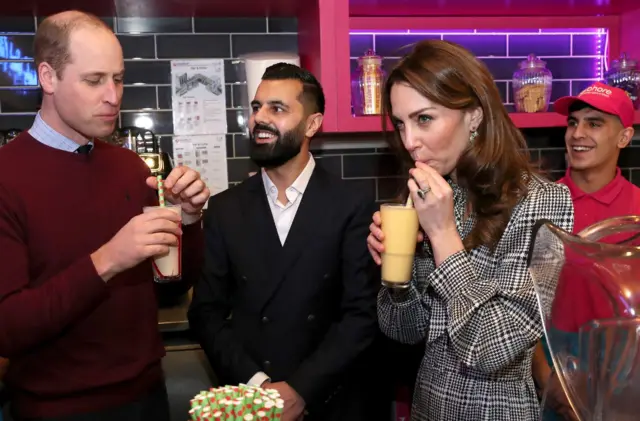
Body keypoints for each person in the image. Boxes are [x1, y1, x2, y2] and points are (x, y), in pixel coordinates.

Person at [0, 11, 209, 421]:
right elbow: (8, 328)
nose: (113, 95)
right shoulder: (7, 177)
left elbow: (173, 285)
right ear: (48, 77)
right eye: (94, 80)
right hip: (57, 409)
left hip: (147, 396)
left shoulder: (131, 167)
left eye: (118, 78)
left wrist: (188, 221)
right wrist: (109, 259)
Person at [365, 39, 575, 421]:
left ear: (474, 116)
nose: (409, 141)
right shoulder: (437, 195)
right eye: (400, 123)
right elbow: (404, 330)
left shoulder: (544, 202)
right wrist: (398, 273)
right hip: (428, 407)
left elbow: (491, 349)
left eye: (424, 119)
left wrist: (442, 235)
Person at [188, 63, 383, 421]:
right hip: (253, 402)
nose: (259, 118)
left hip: (333, 399)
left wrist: (300, 390)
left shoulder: (352, 204)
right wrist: (259, 385)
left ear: (312, 124)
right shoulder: (224, 209)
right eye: (256, 107)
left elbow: (362, 314)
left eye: (277, 109)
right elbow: (206, 314)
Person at [531, 82, 639, 421]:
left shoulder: (637, 208)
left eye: (594, 123)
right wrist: (547, 374)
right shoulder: (539, 204)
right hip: (552, 356)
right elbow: (521, 301)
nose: (577, 133)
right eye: (573, 122)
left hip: (626, 361)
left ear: (624, 137)